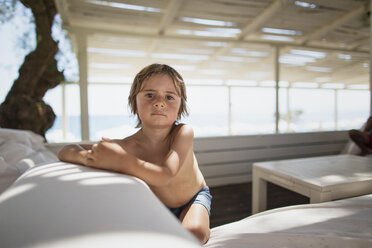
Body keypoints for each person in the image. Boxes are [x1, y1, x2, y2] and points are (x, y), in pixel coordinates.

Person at [58, 63, 212, 244]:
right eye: (149, 95)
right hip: (158, 206)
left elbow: (165, 174)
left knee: (194, 234)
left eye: (169, 97)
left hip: (193, 197)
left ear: (180, 107)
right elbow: (66, 151)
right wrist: (87, 157)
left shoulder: (183, 133)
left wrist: (121, 161)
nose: (159, 102)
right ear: (134, 103)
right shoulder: (126, 146)